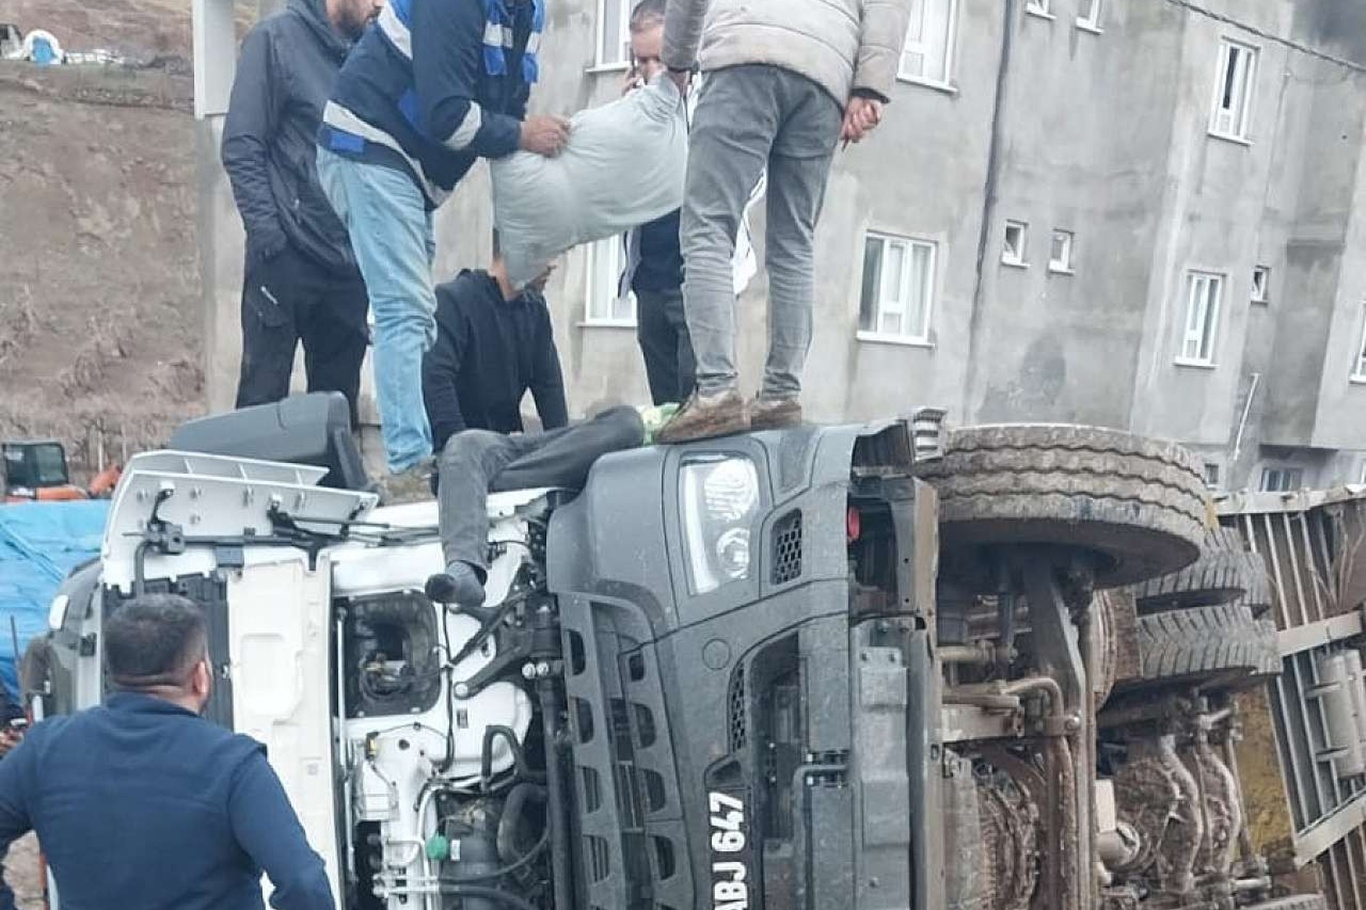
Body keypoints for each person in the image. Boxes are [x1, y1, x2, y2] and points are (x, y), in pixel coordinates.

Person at [315, 0, 570, 498]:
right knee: (404, 311)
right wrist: (521, 134)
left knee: (416, 317)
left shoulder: (527, 12)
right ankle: (411, 468)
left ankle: (421, 459)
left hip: (408, 168)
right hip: (369, 143)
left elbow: (505, 112)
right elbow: (448, 116)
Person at [656, 0, 913, 442]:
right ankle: (780, 393)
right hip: (824, 75)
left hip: (744, 50)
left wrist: (677, 61)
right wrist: (870, 87)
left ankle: (716, 391)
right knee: (794, 242)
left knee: (709, 228)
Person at [0, 595, 336, 910]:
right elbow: (303, 884)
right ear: (201, 676)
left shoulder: (44, 750)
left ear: (112, 673)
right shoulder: (235, 765)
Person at [222, 0, 381, 430]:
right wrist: (269, 238)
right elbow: (241, 144)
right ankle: (252, 493)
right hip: (285, 254)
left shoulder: (373, 53)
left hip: (348, 262)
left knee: (336, 411)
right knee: (262, 398)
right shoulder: (275, 41)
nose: (380, 6)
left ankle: (335, 495)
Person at [619, 0, 763, 407]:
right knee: (665, 412)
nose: (650, 70)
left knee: (700, 408)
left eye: (659, 59)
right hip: (649, 278)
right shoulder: (635, 109)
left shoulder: (715, 100)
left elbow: (752, 178)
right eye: (641, 59)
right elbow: (616, 190)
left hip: (700, 277)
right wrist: (624, 125)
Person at [424, 405, 659, 607]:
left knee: (627, 423)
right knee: (462, 443)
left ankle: (465, 482)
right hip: (513, 444)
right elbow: (437, 379)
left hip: (567, 443)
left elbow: (551, 395)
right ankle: (464, 566)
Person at [421, 251, 568, 453]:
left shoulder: (535, 311)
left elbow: (549, 389)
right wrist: (459, 454)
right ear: (513, 244)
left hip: (504, 451)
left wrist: (563, 453)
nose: (552, 264)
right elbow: (435, 381)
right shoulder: (454, 300)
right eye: (541, 250)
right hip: (457, 456)